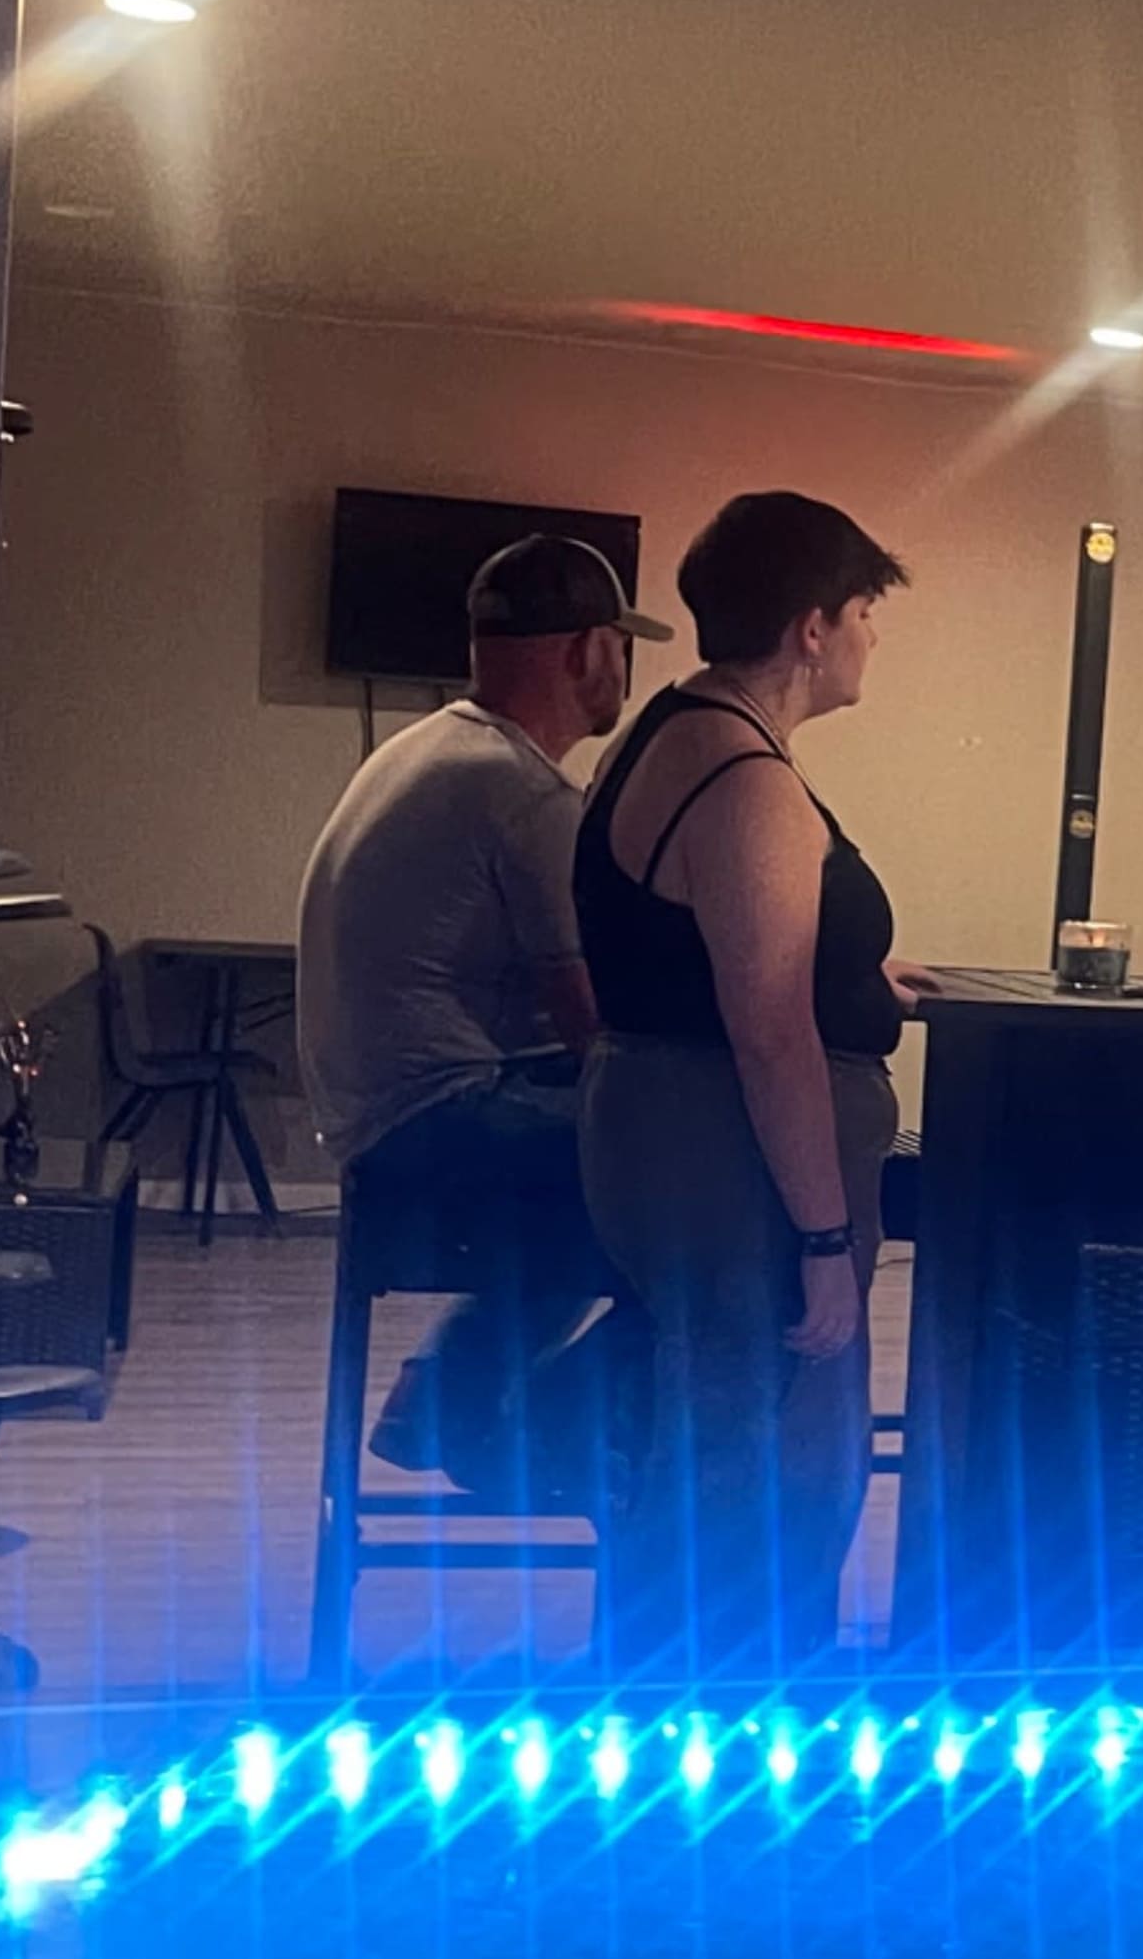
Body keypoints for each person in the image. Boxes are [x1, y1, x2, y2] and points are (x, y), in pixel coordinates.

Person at [576, 490, 908, 1674]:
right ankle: (730, 1720)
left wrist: (859, 972)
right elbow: (768, 1030)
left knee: (713, 1440)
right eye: (864, 610)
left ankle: (675, 1707)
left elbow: (713, 941)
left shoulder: (677, 729)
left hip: (671, 1131)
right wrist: (822, 1237)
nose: (872, 634)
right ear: (812, 626)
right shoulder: (744, 772)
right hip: (728, 1161)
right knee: (769, 1456)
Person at [293, 529, 664, 1497]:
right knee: (702, 1200)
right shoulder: (525, 790)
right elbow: (594, 1028)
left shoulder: (427, 749)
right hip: (436, 1118)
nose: (623, 666)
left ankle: (445, 1387)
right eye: (621, 644)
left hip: (375, 1114)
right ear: (587, 650)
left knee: (632, 1156)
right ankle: (529, 1429)